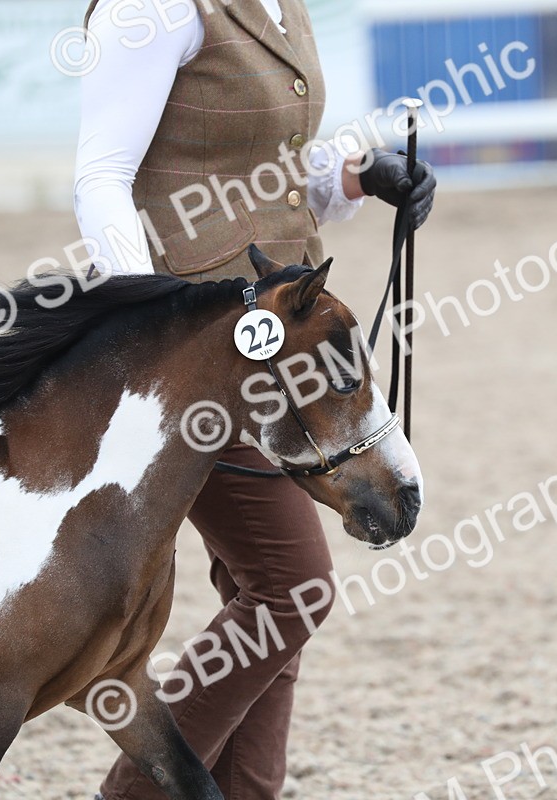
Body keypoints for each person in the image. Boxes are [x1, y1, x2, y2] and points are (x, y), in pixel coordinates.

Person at [73, 1, 437, 798]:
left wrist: (356, 174)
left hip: (284, 342)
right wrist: (155, 317)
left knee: (262, 598)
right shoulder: (151, 10)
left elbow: (267, 162)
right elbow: (101, 178)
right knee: (291, 585)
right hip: (207, 356)